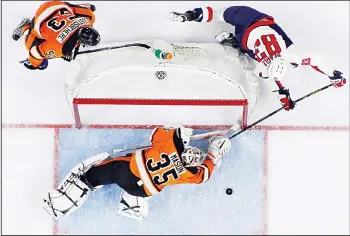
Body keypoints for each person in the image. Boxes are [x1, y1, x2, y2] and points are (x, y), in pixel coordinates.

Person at [167, 6, 347, 111]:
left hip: (253, 32)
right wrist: (333, 74)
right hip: (251, 39)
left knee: (225, 17)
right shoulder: (283, 58)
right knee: (253, 56)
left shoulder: (271, 59)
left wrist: (190, 15)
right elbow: (316, 59)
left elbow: (216, 13)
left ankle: (235, 42)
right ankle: (235, 43)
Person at [43, 125, 232, 221]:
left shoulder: (169, 146)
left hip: (126, 172)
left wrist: (181, 134)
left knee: (91, 176)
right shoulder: (186, 174)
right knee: (147, 186)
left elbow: (155, 134)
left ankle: (62, 204)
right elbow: (204, 175)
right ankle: (131, 204)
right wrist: (213, 152)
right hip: (142, 191)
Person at [12, 1, 100, 70]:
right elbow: (36, 52)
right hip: (38, 20)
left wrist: (68, 48)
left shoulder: (87, 21)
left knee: (74, 10)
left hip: (54, 5)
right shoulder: (61, 48)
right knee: (30, 46)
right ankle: (25, 27)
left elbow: (88, 15)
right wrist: (35, 63)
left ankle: (83, 6)